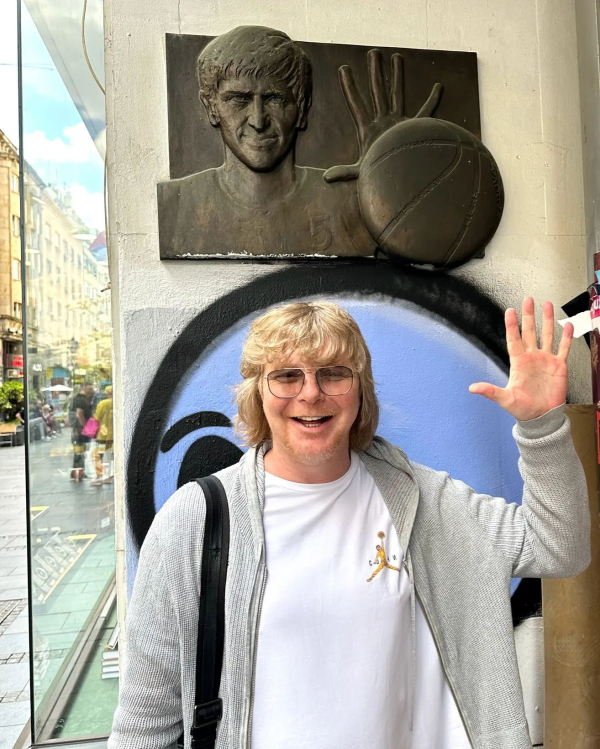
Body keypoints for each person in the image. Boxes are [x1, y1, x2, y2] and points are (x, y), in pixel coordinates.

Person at [109, 300, 590, 749]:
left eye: (334, 374)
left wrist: (541, 425)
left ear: (360, 390)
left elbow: (558, 546)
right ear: (258, 392)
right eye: (287, 376)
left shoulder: (423, 502)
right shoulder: (196, 521)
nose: (311, 393)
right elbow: (144, 724)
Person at [157, 26, 377, 258]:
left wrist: (390, 168)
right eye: (239, 100)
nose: (258, 121)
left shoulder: (350, 202)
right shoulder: (175, 205)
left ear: (302, 108)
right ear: (211, 108)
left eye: (274, 99)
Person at [70, 382, 95, 480]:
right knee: (79, 451)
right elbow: (79, 414)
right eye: (89, 389)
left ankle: (78, 473)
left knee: (80, 451)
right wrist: (86, 426)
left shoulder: (83, 399)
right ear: (84, 388)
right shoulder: (80, 399)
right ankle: (78, 473)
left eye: (92, 389)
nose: (91, 391)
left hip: (80, 429)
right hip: (80, 430)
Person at [91, 386, 114, 485]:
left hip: (102, 436)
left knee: (100, 455)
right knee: (111, 456)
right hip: (114, 436)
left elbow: (96, 418)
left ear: (107, 394)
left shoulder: (102, 403)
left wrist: (90, 432)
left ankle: (100, 476)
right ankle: (110, 475)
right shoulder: (118, 402)